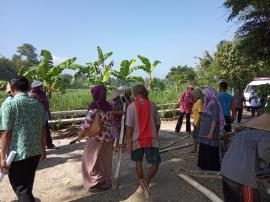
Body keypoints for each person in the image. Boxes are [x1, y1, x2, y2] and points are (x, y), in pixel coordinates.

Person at [0, 76, 46, 202]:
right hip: (35, 152)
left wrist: (2, 157)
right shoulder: (38, 105)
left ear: (12, 87)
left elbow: (5, 132)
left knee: (21, 189)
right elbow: (43, 129)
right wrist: (44, 149)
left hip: (17, 155)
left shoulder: (9, 105)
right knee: (27, 186)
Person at [221, 113, 270, 202]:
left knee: (230, 199)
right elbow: (264, 152)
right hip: (242, 177)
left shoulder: (241, 134)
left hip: (225, 171)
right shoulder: (266, 135)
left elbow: (230, 149)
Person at [126, 84, 161, 199]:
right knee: (155, 163)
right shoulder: (152, 105)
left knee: (138, 162)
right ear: (145, 92)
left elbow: (129, 127)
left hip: (137, 140)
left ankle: (142, 181)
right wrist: (155, 133)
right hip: (151, 139)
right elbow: (157, 123)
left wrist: (128, 141)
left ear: (135, 93)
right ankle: (146, 180)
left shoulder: (131, 107)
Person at [78, 85, 114, 191]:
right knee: (104, 161)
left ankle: (94, 183)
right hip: (108, 138)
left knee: (89, 161)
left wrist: (81, 134)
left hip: (96, 138)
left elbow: (87, 123)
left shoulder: (95, 105)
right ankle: (105, 182)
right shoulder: (109, 105)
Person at [197, 87, 224, 171]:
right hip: (204, 131)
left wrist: (211, 133)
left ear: (210, 94)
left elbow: (215, 120)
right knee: (204, 147)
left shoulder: (214, 104)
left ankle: (211, 167)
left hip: (210, 131)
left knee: (211, 147)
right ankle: (204, 165)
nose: (204, 96)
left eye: (205, 94)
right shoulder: (207, 103)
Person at [29, 80, 56, 149]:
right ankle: (39, 145)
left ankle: (49, 144)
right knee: (38, 130)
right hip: (36, 115)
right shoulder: (32, 95)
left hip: (44, 114)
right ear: (36, 87)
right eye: (39, 85)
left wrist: (48, 113)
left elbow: (46, 104)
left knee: (46, 129)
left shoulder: (42, 93)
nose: (41, 86)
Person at [190, 89, 203, 153]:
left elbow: (201, 113)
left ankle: (200, 149)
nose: (193, 95)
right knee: (195, 135)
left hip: (198, 122)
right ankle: (194, 148)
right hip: (195, 122)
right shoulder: (196, 101)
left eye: (194, 94)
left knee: (199, 136)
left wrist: (198, 122)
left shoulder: (199, 101)